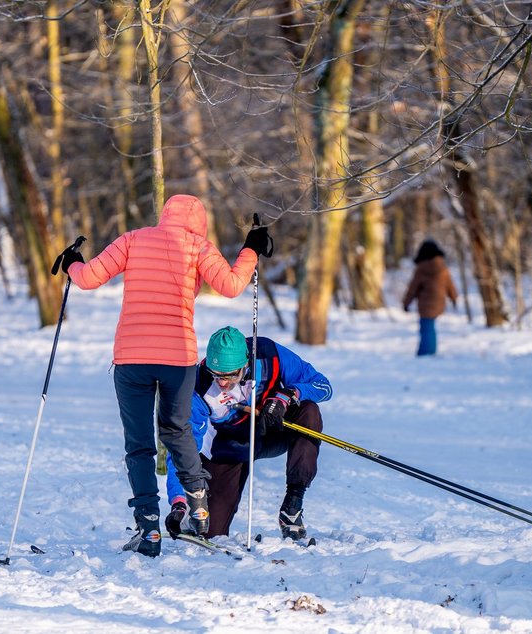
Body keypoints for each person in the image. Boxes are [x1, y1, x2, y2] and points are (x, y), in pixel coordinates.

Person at [55, 194, 272, 557]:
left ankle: (149, 529)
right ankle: (199, 499)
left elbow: (89, 278)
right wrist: (250, 248)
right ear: (198, 222)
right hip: (178, 358)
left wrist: (73, 263)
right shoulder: (196, 246)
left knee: (138, 444)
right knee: (177, 430)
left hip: (132, 358)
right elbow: (232, 285)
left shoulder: (133, 239)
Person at [164, 326, 333, 541]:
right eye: (217, 376)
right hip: (230, 447)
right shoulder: (198, 385)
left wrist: (287, 395)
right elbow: (183, 447)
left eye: (231, 375)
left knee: (309, 411)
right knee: (210, 532)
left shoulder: (269, 355)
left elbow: (323, 386)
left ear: (245, 364)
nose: (223, 383)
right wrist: (179, 502)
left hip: (272, 431)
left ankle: (293, 504)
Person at [402, 239, 458, 356]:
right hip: (439, 302)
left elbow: (413, 288)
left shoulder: (421, 269)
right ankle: (430, 349)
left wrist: (406, 302)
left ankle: (425, 351)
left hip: (425, 304)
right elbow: (450, 285)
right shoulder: (443, 268)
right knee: (430, 326)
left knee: (426, 327)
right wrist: (453, 298)